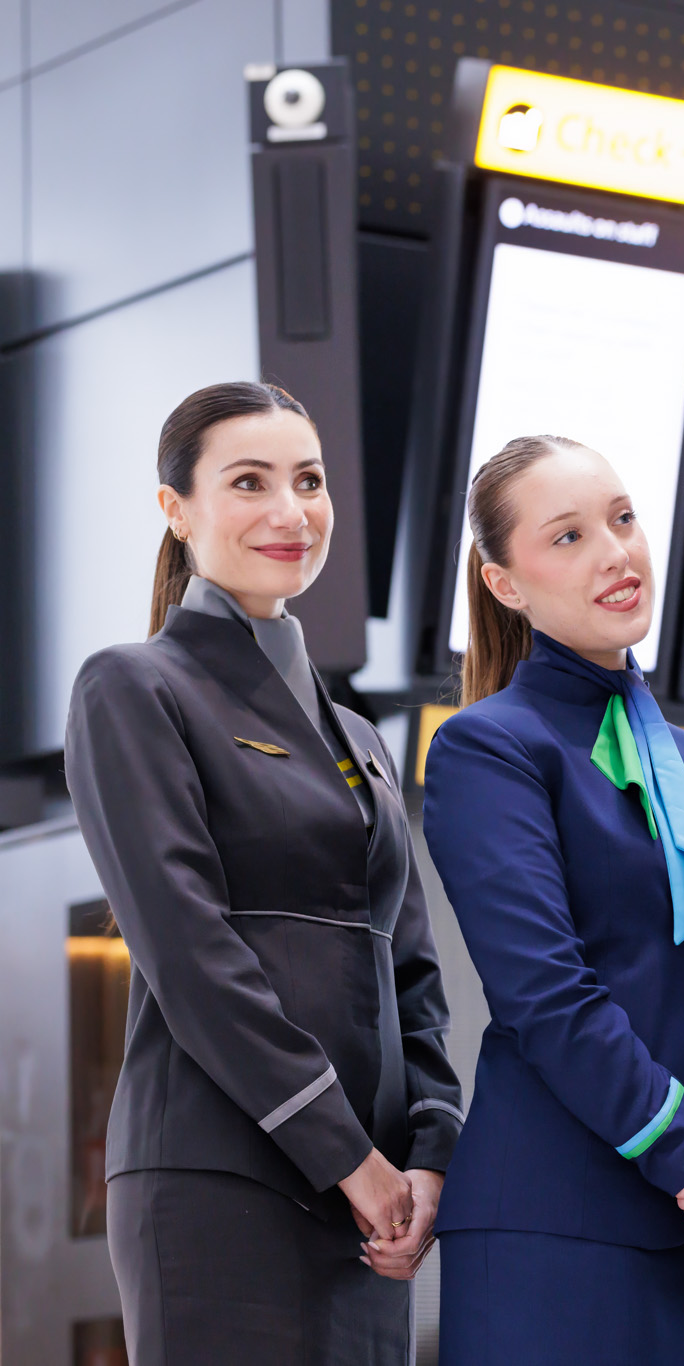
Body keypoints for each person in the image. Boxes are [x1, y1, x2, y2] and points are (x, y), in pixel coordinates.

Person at [63, 381, 464, 1366]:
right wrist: (350, 1159)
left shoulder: (361, 738)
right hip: (224, 1180)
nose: (291, 511)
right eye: (250, 482)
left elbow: (412, 976)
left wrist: (427, 1154)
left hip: (371, 1209)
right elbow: (192, 953)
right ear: (176, 507)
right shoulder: (133, 685)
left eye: (310, 481)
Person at [423, 435, 684, 1362]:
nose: (615, 552)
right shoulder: (489, 749)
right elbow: (546, 996)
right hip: (554, 1227)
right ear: (504, 582)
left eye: (623, 519)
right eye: (567, 537)